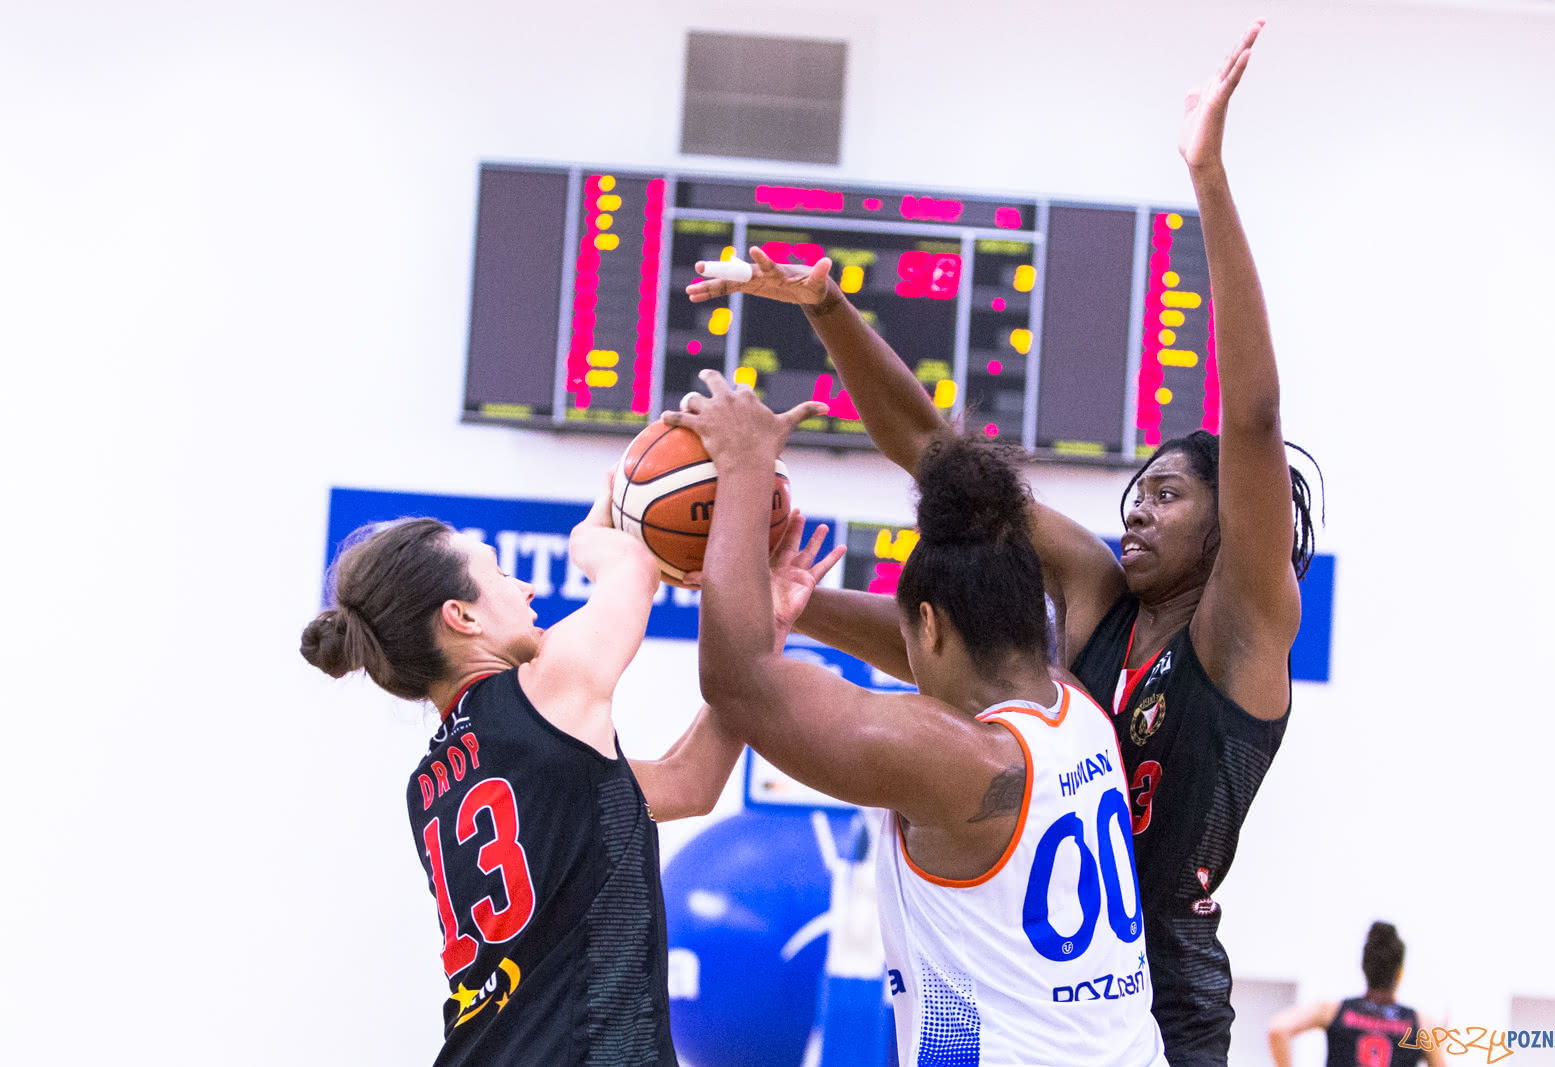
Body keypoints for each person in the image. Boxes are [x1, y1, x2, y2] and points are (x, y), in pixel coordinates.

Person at [683, 21, 1316, 1066]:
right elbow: (938, 462)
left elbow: (1251, 419)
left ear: (1230, 524)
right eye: (1135, 493)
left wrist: (1206, 175)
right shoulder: (1097, 602)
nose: (1135, 512)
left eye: (1165, 494)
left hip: (1160, 995)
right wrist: (830, 309)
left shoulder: (1244, 631)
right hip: (1034, 956)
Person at [666, 375, 1167, 1066]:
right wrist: (797, 605)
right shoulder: (1076, 701)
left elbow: (738, 681)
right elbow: (932, 653)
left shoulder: (963, 766)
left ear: (928, 623)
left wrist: (746, 467)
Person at [299, 480, 840, 1066]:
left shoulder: (431, 784)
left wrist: (767, 630)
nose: (525, 587)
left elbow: (690, 782)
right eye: (501, 574)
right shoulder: (542, 690)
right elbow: (634, 566)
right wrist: (589, 535)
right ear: (462, 617)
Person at [1266, 923, 1444, 1067]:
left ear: (1363, 966)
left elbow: (1278, 1029)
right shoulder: (1420, 1023)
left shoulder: (1333, 1010)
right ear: (1400, 973)